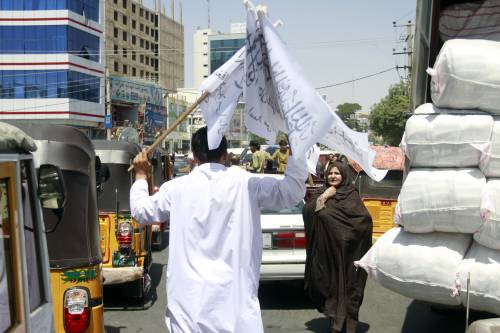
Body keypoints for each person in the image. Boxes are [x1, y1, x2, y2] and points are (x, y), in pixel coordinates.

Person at [130, 126, 308, 333]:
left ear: (194, 155)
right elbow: (292, 191)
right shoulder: (246, 182)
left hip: (189, 311)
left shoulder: (176, 188)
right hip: (235, 311)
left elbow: (141, 212)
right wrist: (298, 149)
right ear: (225, 154)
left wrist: (141, 176)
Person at [302, 160, 372, 333]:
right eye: (330, 174)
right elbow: (308, 213)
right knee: (327, 286)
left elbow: (364, 221)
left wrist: (346, 237)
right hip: (326, 254)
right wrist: (325, 196)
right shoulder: (321, 192)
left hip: (349, 256)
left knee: (349, 290)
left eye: (337, 173)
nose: (333, 176)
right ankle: (335, 321)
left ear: (344, 175)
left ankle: (348, 326)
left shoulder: (352, 195)